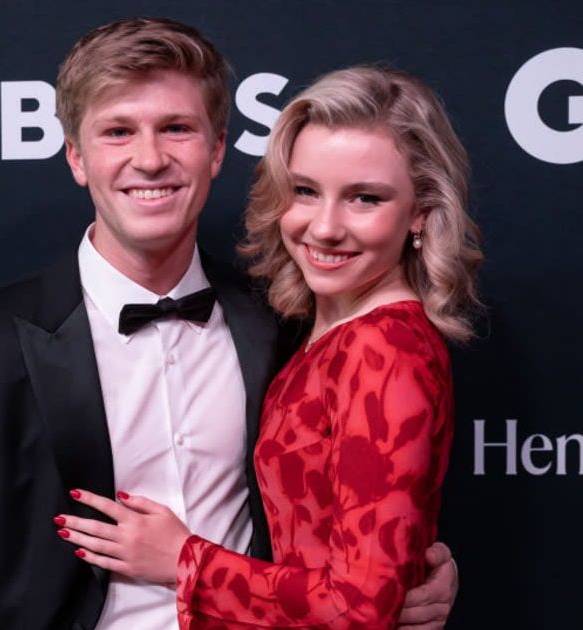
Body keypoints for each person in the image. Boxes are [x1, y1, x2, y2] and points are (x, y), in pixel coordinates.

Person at [0, 18, 459, 630]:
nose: (150, 159)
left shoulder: (284, 322)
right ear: (76, 156)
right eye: (118, 132)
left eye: (177, 129)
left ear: (217, 149)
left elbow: (351, 533)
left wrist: (412, 574)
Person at [58, 64, 481, 628]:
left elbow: (359, 608)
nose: (324, 227)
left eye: (364, 198)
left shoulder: (384, 348)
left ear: (421, 212)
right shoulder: (301, 329)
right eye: (305, 191)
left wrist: (183, 560)